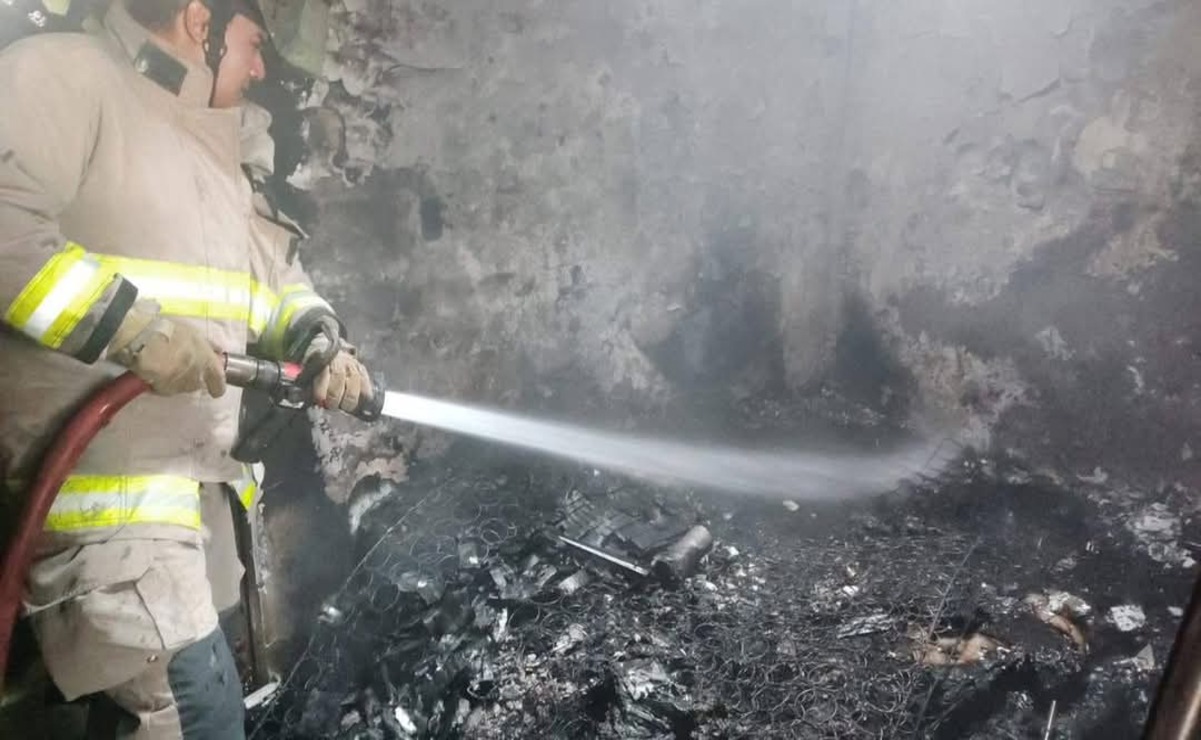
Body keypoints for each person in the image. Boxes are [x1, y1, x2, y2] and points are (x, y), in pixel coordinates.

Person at [0, 0, 369, 735]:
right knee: (198, 716)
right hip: (101, 514)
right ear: (202, 19)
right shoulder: (63, 75)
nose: (260, 69)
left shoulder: (209, 143)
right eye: (255, 44)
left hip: (192, 513)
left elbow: (268, 282)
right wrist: (132, 329)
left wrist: (319, 338)